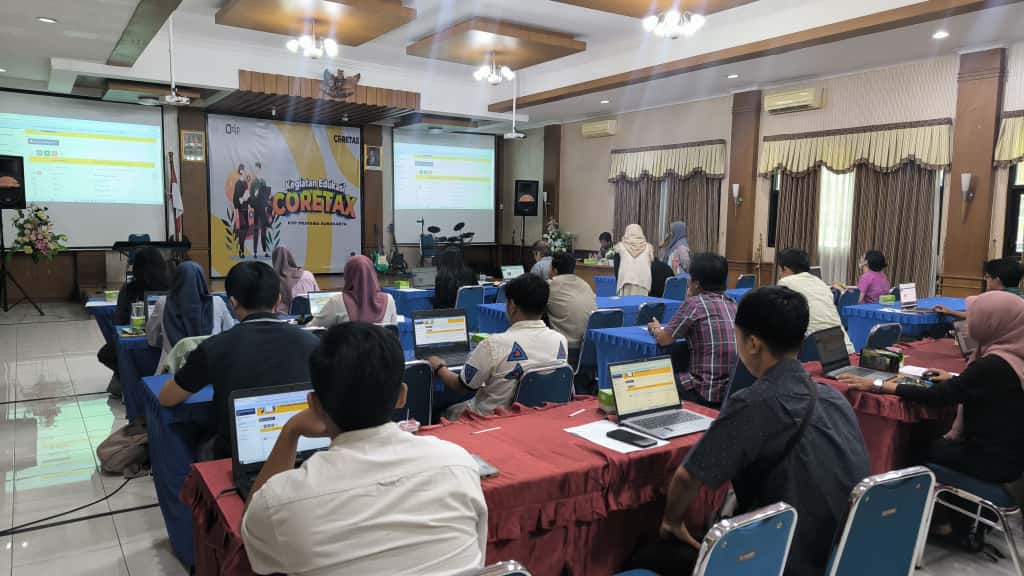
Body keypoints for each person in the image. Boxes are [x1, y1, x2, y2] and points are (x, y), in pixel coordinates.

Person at [640, 287, 869, 576]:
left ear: (752, 344)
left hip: (783, 557)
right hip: (844, 552)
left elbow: (688, 477)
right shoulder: (832, 397)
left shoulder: (755, 403)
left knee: (652, 555)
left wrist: (671, 523)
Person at [241, 323, 487, 575]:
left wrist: (290, 432)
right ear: (402, 396)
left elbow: (251, 532)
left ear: (314, 404)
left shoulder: (279, 502)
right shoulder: (459, 465)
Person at [840, 290, 1024, 484]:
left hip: (991, 461)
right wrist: (953, 379)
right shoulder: (1013, 356)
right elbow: (984, 386)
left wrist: (878, 385)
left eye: (973, 318)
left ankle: (909, 495)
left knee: (911, 446)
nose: (968, 323)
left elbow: (937, 396)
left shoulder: (991, 366)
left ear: (992, 324)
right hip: (1012, 455)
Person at [159, 261, 320, 459]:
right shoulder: (312, 343)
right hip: (303, 450)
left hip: (235, 454)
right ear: (278, 300)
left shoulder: (215, 347)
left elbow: (167, 398)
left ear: (232, 302)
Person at [431, 273, 568, 420]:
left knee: (442, 410)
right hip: (537, 417)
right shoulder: (560, 340)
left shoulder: (493, 345)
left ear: (512, 306)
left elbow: (461, 386)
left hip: (488, 420)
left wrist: (439, 367)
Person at [648, 253, 737, 407]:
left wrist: (655, 328)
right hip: (729, 392)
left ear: (695, 283)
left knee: (655, 382)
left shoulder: (695, 304)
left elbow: (664, 339)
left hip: (703, 390)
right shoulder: (733, 304)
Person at [97, 247, 172, 389]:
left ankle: (126, 377)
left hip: (136, 342)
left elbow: (119, 323)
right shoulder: (173, 286)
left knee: (107, 353)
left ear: (136, 268)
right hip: (167, 344)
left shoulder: (129, 289)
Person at [147, 261, 235, 370]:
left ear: (176, 280)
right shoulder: (217, 302)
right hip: (211, 369)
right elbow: (230, 333)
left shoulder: (163, 302)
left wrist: (167, 345)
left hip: (171, 371)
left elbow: (152, 338)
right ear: (202, 280)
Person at [777, 248, 854, 353]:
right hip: (846, 349)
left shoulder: (785, 282)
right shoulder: (820, 283)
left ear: (785, 269)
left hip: (816, 353)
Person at [310, 255, 397, 328]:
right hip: (380, 344)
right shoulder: (389, 300)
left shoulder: (337, 301)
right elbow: (394, 332)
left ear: (348, 275)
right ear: (373, 274)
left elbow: (312, 328)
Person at [934, 257, 1024, 319]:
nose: (986, 279)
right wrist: (950, 312)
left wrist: (950, 312)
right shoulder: (1020, 297)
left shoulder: (995, 301)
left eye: (987, 277)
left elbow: (976, 317)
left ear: (997, 280)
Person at [546, 252, 596, 355]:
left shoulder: (550, 286)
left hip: (564, 349)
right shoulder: (585, 284)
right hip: (589, 347)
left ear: (555, 270)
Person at [272, 246, 319, 315]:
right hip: (310, 315)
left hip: (285, 317)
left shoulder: (273, 280)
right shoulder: (308, 275)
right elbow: (317, 297)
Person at [614, 224, 654, 296]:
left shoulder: (620, 246)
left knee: (625, 302)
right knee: (640, 302)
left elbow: (616, 266)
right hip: (643, 281)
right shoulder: (648, 247)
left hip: (625, 280)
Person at [249, 161, 271, 258]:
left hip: (263, 209)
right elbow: (251, 198)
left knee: (264, 231)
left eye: (257, 168)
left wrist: (267, 196)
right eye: (255, 168)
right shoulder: (253, 183)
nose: (256, 170)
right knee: (256, 230)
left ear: (260, 169)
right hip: (256, 209)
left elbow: (265, 195)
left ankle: (265, 251)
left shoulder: (263, 181)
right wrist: (255, 194)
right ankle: (255, 252)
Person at [232, 164, 250, 258]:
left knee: (246, 228)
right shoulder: (238, 183)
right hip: (241, 209)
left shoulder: (245, 183)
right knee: (243, 229)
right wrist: (241, 200)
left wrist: (248, 197)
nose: (245, 171)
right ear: (241, 171)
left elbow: (247, 196)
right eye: (244, 170)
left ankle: (241, 247)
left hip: (246, 209)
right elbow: (235, 198)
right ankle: (241, 251)